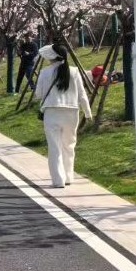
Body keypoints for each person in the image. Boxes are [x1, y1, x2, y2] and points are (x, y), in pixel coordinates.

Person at [34, 42, 92, 188]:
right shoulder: (74, 72)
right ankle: (69, 176)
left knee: (54, 147)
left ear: (51, 57)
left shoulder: (45, 73)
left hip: (52, 112)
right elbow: (82, 94)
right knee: (69, 146)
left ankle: (58, 180)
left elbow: (38, 94)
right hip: (72, 112)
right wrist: (87, 112)